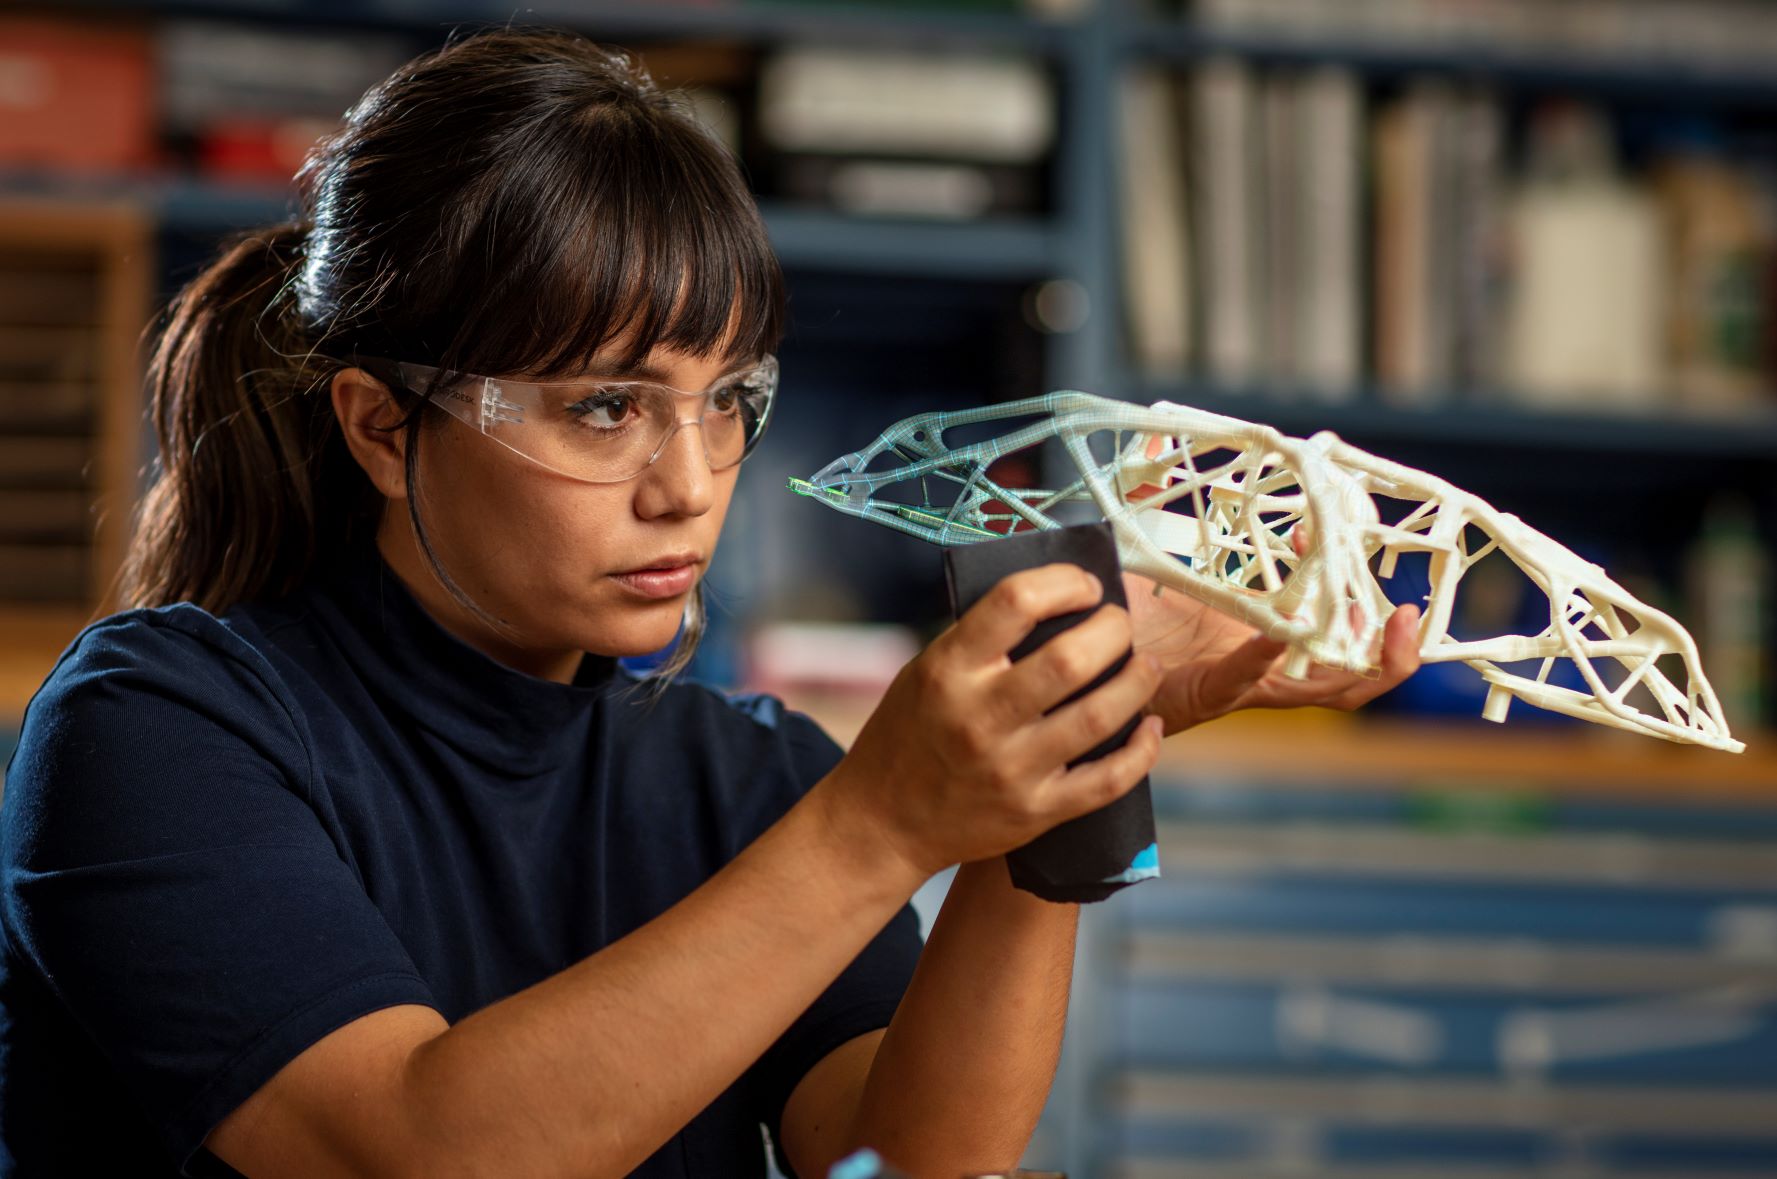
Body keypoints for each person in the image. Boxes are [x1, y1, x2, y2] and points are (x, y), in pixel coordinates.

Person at [0, 27, 1421, 1179]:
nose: (687, 484)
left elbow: (903, 1156)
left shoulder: (741, 775)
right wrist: (878, 824)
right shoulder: (155, 727)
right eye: (605, 407)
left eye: (727, 401)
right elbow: (413, 1153)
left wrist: (1064, 768)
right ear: (381, 427)